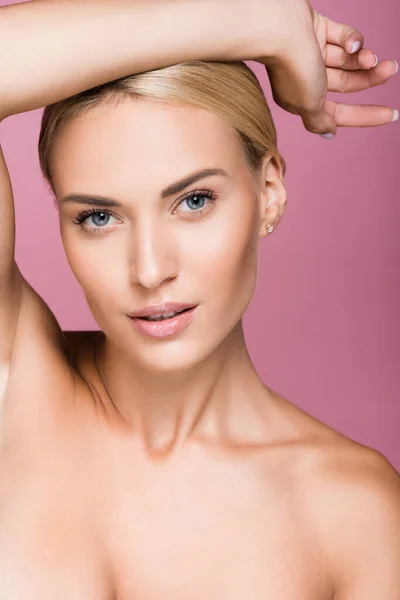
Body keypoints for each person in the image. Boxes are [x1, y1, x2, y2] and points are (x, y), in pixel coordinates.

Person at [0, 0, 399, 598]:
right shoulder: (16, 385)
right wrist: (265, 23)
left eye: (192, 202)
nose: (151, 270)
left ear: (268, 192)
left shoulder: (354, 512)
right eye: (99, 216)